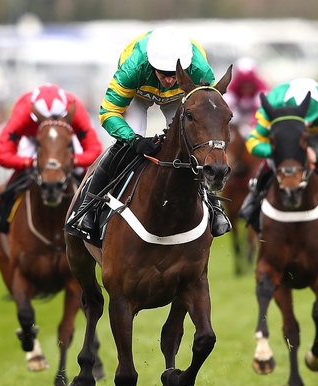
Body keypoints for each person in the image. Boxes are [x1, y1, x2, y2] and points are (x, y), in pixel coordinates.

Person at [67, 25, 232, 238]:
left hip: (179, 97)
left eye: (174, 74)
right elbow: (108, 112)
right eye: (164, 74)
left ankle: (215, 207)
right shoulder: (133, 68)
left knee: (195, 147)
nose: (169, 80)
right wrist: (134, 140)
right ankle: (88, 207)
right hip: (139, 94)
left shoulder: (200, 69)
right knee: (124, 147)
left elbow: (208, 111)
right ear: (152, 64)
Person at [238, 78, 318, 234]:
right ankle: (253, 199)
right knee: (272, 162)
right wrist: (280, 152)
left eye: (310, 120)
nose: (306, 125)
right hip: (288, 136)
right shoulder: (274, 102)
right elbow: (253, 142)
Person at [0, 83, 103, 234]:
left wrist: (72, 161)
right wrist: (30, 162)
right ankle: (1, 212)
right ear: (34, 115)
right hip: (34, 141)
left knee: (85, 174)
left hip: (64, 140)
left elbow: (94, 149)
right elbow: (1, 153)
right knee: (21, 173)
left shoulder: (75, 109)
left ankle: (94, 214)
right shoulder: (23, 110)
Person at [223, 57, 268, 137]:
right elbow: (226, 108)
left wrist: (251, 124)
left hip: (254, 116)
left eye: (249, 86)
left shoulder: (262, 91)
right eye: (242, 86)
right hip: (238, 117)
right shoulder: (231, 89)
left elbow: (262, 112)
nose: (246, 89)